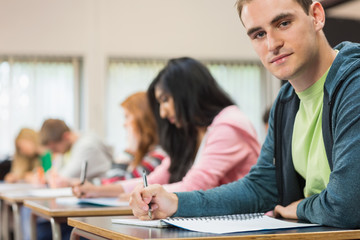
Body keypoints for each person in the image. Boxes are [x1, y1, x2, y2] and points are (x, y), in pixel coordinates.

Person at [129, 0, 360, 229]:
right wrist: (177, 203)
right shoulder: (286, 101)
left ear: (317, 16)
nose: (272, 44)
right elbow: (260, 189)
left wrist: (298, 208)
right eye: (258, 34)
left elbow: (347, 206)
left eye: (284, 23)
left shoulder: (354, 84)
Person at [73, 57, 260, 198]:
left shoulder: (228, 125)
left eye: (165, 100)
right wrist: (98, 191)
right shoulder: (193, 132)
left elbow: (194, 186)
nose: (162, 113)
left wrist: (136, 194)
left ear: (186, 93)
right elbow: (155, 179)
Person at [39, 119, 113, 187]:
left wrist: (49, 177)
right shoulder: (67, 148)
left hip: (103, 191)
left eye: (54, 148)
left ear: (66, 136)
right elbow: (54, 174)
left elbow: (61, 179)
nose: (54, 153)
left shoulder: (86, 146)